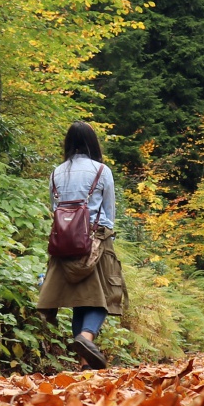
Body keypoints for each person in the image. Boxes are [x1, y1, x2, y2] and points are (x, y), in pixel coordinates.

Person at [36, 121, 125, 370]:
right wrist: (107, 241)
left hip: (63, 242)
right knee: (103, 299)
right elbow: (109, 212)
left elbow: (55, 210)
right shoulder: (101, 170)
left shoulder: (56, 172)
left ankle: (85, 363)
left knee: (79, 301)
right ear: (92, 143)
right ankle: (86, 338)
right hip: (95, 240)